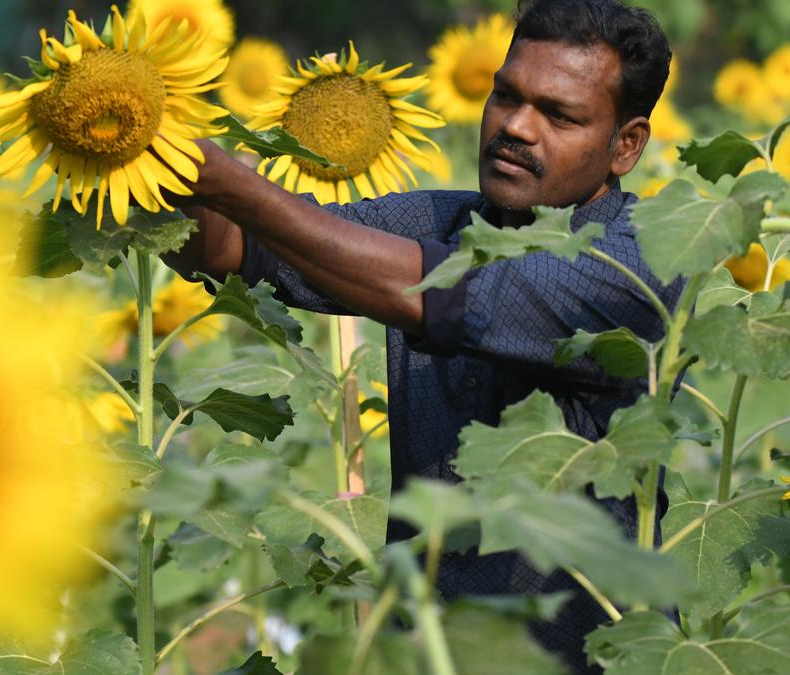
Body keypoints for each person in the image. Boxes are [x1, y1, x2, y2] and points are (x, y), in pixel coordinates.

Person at [165, 0, 683, 670]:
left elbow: (442, 293)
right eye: (505, 96)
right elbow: (234, 248)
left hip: (589, 654)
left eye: (558, 115)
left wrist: (236, 185)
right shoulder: (438, 219)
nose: (516, 127)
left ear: (626, 145)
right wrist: (155, 149)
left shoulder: (638, 260)